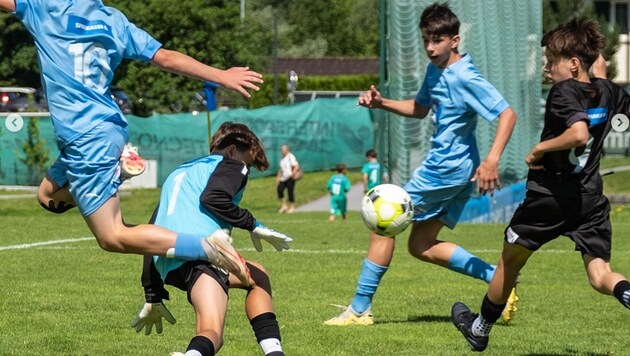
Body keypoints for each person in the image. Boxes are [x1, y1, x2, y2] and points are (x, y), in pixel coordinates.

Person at [0, 0, 265, 285]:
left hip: (86, 138)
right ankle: (118, 173)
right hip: (104, 129)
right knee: (47, 196)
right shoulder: (114, 21)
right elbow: (166, 58)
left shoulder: (46, 8)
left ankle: (208, 247)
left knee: (112, 235)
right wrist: (221, 75)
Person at [324, 2, 518, 326]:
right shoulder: (436, 70)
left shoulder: (464, 76)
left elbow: (507, 114)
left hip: (446, 168)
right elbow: (420, 108)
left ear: (454, 41)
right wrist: (381, 102)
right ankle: (499, 281)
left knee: (383, 222)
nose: (430, 47)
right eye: (426, 39)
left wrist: (493, 160)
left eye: (437, 40)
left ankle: (359, 310)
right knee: (421, 244)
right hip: (454, 168)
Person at [451, 17, 630, 352]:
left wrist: (538, 149)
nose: (548, 69)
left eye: (552, 61)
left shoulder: (564, 92)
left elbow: (577, 133)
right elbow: (603, 85)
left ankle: (479, 328)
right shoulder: (608, 92)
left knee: (509, 261)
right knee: (601, 276)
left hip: (548, 199)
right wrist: (597, 66)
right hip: (588, 198)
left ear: (574, 63)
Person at [131, 122, 291, 356]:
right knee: (212, 333)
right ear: (233, 151)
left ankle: (274, 353)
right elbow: (213, 198)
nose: (246, 168)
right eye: (247, 161)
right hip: (205, 251)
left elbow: (152, 231)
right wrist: (252, 225)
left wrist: (152, 292)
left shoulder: (180, 172)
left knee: (257, 275)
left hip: (169, 262)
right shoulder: (232, 165)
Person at [276, 144, 300, 213]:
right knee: (279, 189)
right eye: (281, 150)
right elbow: (281, 169)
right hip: (284, 178)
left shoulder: (290, 156)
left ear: (287, 150)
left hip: (290, 177)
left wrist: (293, 173)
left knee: (290, 191)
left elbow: (296, 166)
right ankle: (284, 206)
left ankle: (292, 207)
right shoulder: (282, 159)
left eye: (283, 149)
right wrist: (278, 177)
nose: (282, 151)